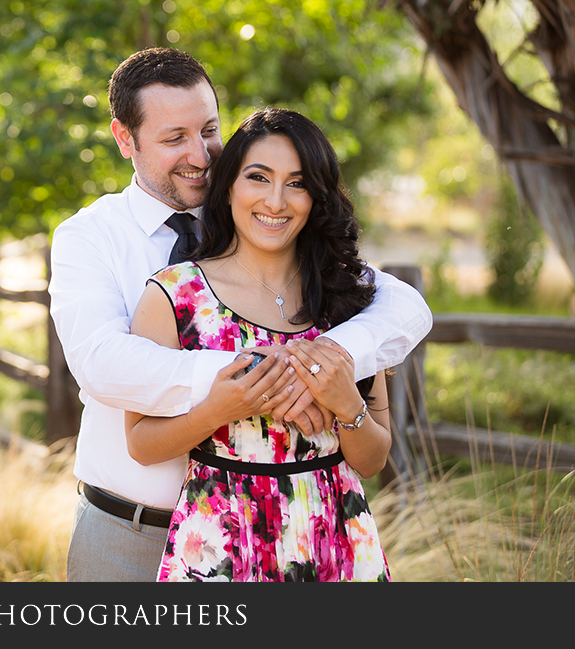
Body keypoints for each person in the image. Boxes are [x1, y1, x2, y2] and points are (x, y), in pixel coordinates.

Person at [48, 47, 431, 582]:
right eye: (173, 138)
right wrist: (269, 376)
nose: (202, 155)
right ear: (124, 139)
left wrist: (335, 360)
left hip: (301, 533)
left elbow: (401, 305)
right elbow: (102, 365)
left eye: (208, 130)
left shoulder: (265, 217)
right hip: (132, 533)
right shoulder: (90, 238)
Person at [126, 107, 391, 581]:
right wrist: (220, 409)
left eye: (297, 182)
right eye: (258, 177)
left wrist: (347, 403)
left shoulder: (348, 300)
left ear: (316, 196)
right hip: (223, 544)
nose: (276, 200)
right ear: (228, 186)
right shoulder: (174, 296)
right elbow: (141, 445)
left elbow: (372, 461)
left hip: (336, 543)